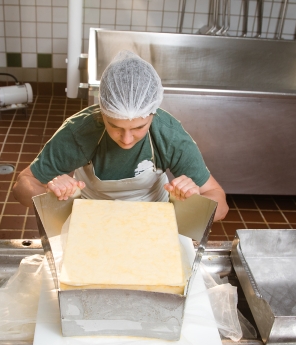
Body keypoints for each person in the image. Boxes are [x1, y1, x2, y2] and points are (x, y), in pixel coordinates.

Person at [12, 50, 228, 221]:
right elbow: (23, 185)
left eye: (138, 128)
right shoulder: (80, 132)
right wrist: (52, 197)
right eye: (115, 126)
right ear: (102, 111)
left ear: (152, 114)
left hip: (152, 216)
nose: (126, 139)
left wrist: (193, 203)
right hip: (91, 216)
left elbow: (219, 201)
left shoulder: (169, 136)